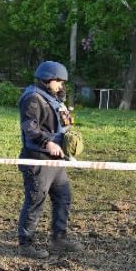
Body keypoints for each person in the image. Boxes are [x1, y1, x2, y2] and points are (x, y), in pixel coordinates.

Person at [16, 60, 81, 259]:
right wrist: (47, 143)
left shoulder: (52, 98)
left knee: (63, 197)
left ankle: (59, 238)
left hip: (56, 160)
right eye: (59, 81)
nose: (61, 86)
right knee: (35, 201)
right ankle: (26, 244)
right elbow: (30, 127)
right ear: (47, 79)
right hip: (38, 159)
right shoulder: (33, 98)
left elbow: (59, 120)